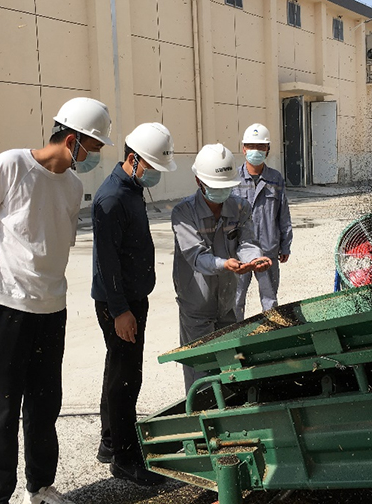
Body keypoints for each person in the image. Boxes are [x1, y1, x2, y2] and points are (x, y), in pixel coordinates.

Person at [0, 97, 113, 504]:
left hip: (50, 308)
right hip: (2, 307)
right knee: (2, 409)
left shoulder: (73, 186)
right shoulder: (10, 165)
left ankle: (40, 488)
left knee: (45, 407)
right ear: (71, 140)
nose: (93, 157)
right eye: (92, 148)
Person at [91, 123, 177, 486]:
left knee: (117, 369)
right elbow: (107, 262)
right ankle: (125, 459)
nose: (155, 174)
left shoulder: (131, 189)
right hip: (120, 303)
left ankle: (111, 442)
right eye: (152, 167)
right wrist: (121, 311)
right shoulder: (112, 198)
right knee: (127, 378)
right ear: (133, 159)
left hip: (130, 298)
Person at [172, 143, 273, 391]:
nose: (221, 192)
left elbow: (247, 242)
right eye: (216, 187)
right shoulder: (183, 213)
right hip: (196, 307)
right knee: (202, 378)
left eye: (226, 187)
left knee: (230, 374)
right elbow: (196, 256)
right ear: (199, 181)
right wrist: (224, 264)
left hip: (227, 304)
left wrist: (254, 259)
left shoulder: (240, 207)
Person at [232, 123, 293, 321]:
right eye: (251, 146)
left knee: (269, 299)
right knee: (236, 299)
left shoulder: (275, 178)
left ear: (267, 149)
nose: (255, 151)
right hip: (240, 251)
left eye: (260, 146)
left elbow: (283, 214)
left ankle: (270, 331)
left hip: (268, 250)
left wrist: (285, 245)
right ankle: (236, 335)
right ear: (243, 149)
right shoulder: (233, 179)